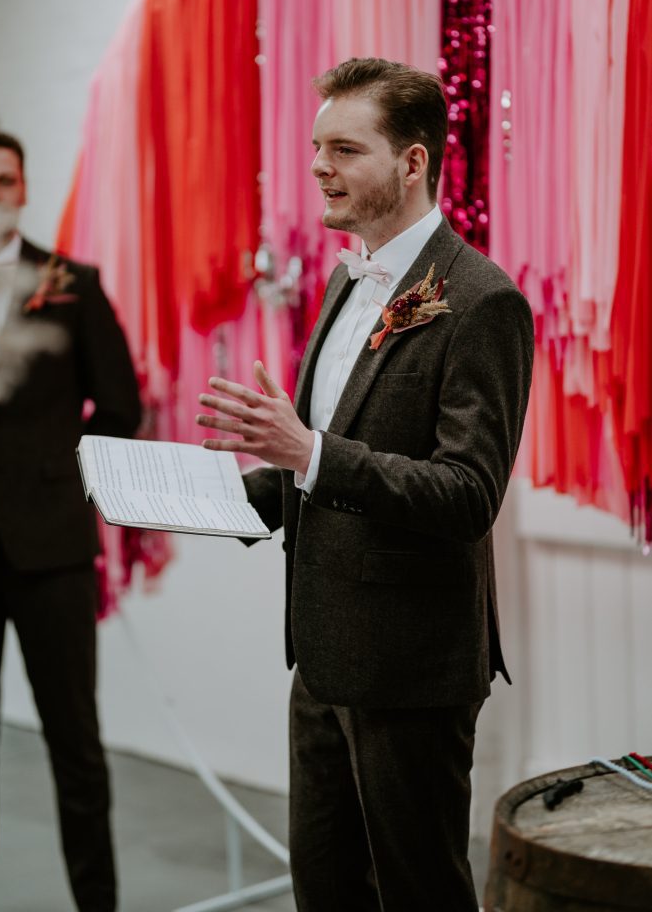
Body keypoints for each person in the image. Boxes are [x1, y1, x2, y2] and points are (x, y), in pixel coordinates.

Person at [197, 57, 534, 911]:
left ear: (412, 162)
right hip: (320, 656)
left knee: (419, 892)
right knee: (327, 891)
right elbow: (317, 464)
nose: (318, 166)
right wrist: (207, 497)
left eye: (344, 149)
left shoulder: (481, 300)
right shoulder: (350, 278)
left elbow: (465, 493)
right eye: (317, 146)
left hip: (411, 665)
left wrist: (306, 452)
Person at [0, 129, 141, 912]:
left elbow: (119, 404)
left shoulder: (71, 282)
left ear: (24, 188)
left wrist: (66, 474)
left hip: (53, 551)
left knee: (76, 745)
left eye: (5, 179)